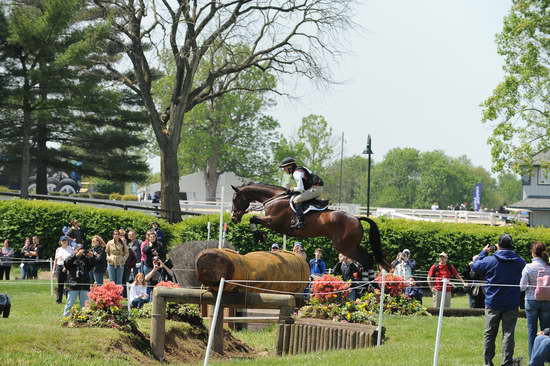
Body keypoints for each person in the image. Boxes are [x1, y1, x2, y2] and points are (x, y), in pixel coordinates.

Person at [471, 234, 526, 366]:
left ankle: (487, 362)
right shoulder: (520, 261)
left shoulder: (490, 260)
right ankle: (507, 363)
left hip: (492, 302)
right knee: (508, 334)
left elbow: (475, 266)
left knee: (489, 333)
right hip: (511, 303)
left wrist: (483, 252)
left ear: (498, 245)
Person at [520, 241, 550, 359]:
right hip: (547, 301)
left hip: (531, 301)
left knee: (532, 331)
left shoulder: (528, 267)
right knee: (546, 332)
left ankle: (533, 359)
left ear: (533, 252)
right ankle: (545, 357)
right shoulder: (548, 267)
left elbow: (522, 287)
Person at [279, 157, 324, 229]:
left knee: (296, 200)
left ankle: (301, 222)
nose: (283, 170)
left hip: (315, 189)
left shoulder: (296, 173)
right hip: (314, 188)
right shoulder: (299, 169)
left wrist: (291, 189)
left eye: (284, 168)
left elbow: (300, 188)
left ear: (289, 167)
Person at [63, 245, 95, 317]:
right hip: (73, 284)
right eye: (79, 249)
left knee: (85, 304)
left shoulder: (86, 259)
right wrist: (76, 255)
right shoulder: (71, 257)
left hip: (84, 284)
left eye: (82, 250)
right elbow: (66, 263)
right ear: (75, 250)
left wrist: (92, 257)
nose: (81, 251)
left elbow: (92, 265)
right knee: (70, 303)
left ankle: (85, 318)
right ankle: (65, 318)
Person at [52, 237, 74, 303]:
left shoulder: (71, 249)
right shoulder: (58, 249)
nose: (64, 242)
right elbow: (55, 260)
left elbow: (73, 259)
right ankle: (59, 300)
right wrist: (53, 270)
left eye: (65, 241)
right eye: (62, 241)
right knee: (60, 284)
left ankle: (68, 300)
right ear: (60, 242)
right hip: (59, 267)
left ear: (67, 241)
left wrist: (68, 267)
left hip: (68, 268)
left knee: (68, 284)